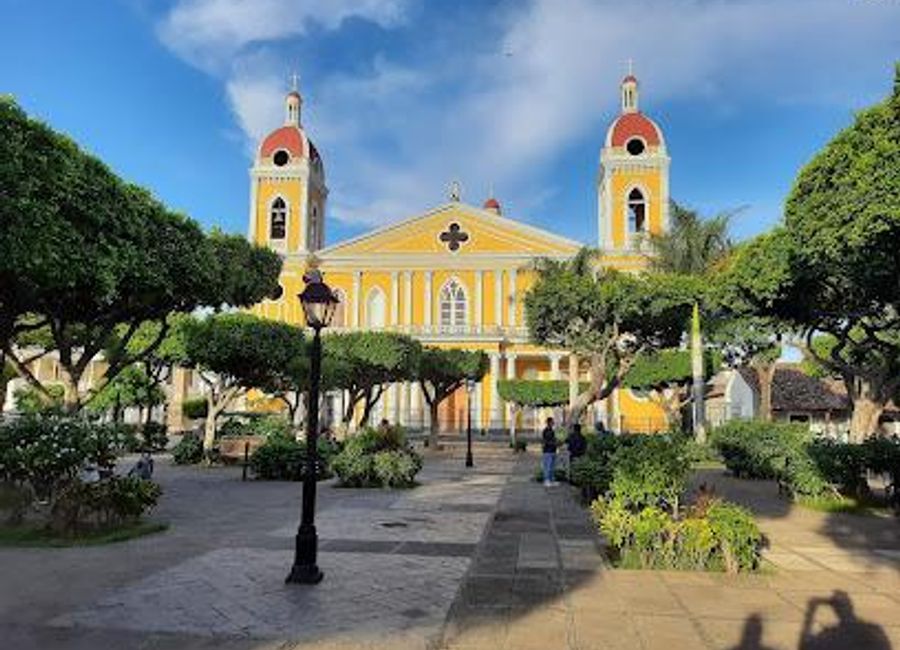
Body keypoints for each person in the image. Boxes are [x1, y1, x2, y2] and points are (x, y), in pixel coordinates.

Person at [541, 417, 558, 487]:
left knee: (552, 467)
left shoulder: (551, 430)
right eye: (552, 422)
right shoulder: (546, 431)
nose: (553, 423)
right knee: (548, 466)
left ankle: (551, 480)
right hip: (548, 451)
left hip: (552, 450)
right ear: (549, 422)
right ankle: (546, 480)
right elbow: (547, 441)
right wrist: (555, 443)